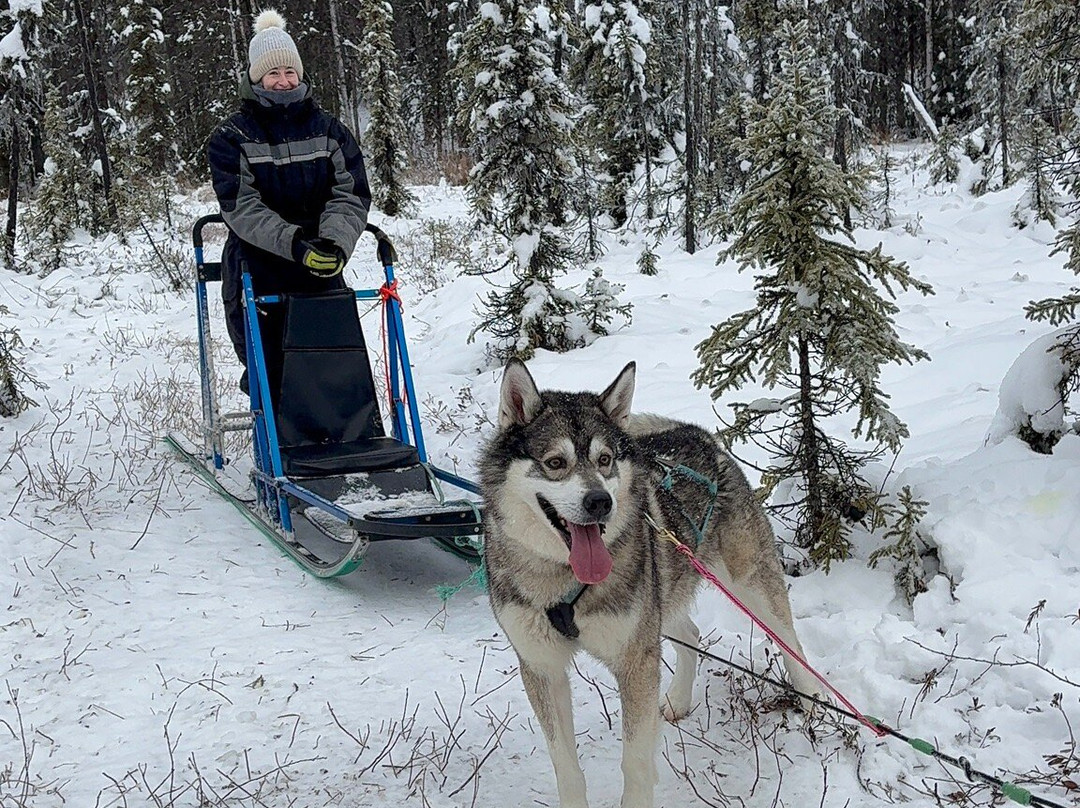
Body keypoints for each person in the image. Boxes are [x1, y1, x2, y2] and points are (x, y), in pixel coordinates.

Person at [207, 9, 371, 393]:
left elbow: (351, 193)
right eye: (272, 74)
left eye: (289, 72)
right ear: (256, 78)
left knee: (332, 356)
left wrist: (334, 243)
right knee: (270, 362)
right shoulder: (231, 137)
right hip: (256, 260)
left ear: (300, 74)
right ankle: (274, 418)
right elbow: (241, 207)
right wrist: (294, 244)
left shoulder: (330, 130)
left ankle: (339, 421)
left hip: (321, 256)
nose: (283, 82)